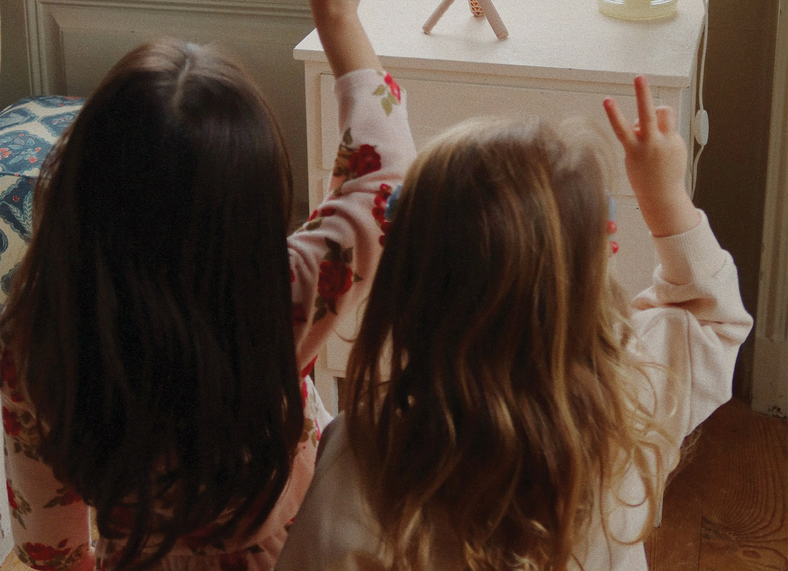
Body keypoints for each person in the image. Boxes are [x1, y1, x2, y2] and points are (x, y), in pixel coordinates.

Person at [0, 0, 416, 571]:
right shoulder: (285, 292)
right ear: (253, 208)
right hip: (291, 551)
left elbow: (50, 543)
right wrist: (337, 17)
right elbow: (387, 177)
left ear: (81, 191)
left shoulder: (35, 339)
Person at [276, 76, 753, 571]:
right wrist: (662, 198)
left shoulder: (365, 457)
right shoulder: (635, 395)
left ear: (407, 289)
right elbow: (715, 319)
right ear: (588, 280)